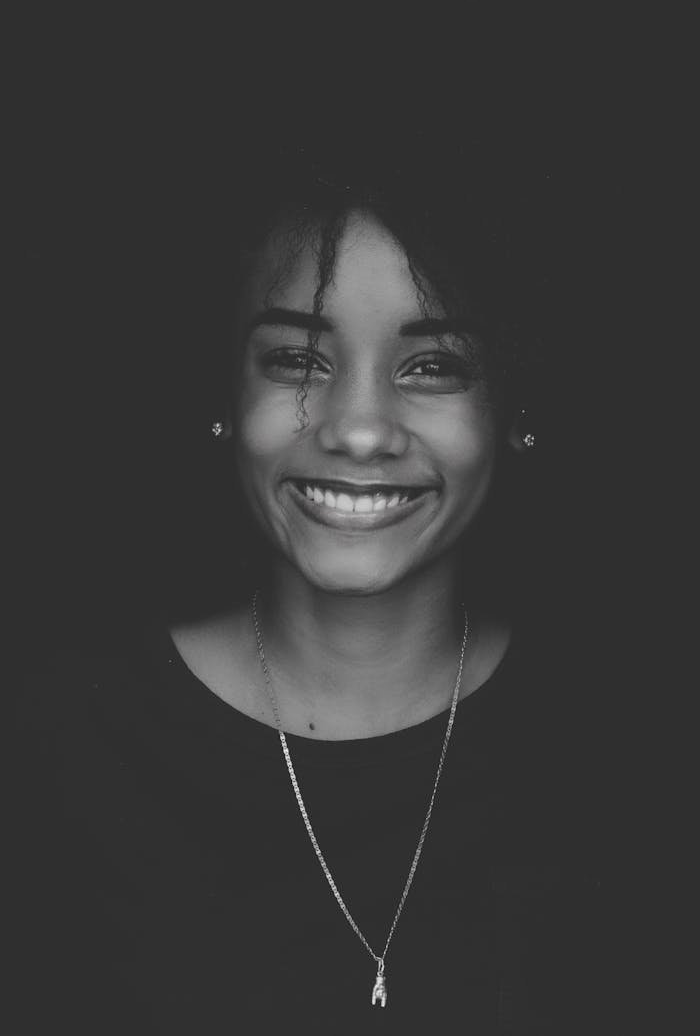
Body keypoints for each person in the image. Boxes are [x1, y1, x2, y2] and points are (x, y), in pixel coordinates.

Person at [7, 134, 607, 1034]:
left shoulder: (635, 752)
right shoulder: (47, 750)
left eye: (433, 365)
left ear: (515, 413)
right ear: (222, 395)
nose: (359, 430)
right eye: (297, 359)